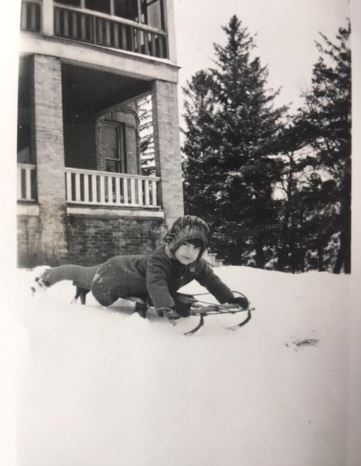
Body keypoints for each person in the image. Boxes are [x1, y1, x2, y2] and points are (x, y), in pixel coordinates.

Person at [33, 215, 249, 318]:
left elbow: (213, 281)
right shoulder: (159, 259)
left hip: (134, 276)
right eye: (185, 245)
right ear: (174, 242)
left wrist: (229, 299)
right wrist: (169, 306)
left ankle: (49, 275)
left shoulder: (196, 264)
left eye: (195, 248)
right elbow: (156, 283)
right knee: (80, 273)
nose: (189, 252)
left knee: (82, 272)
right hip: (115, 274)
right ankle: (45, 277)